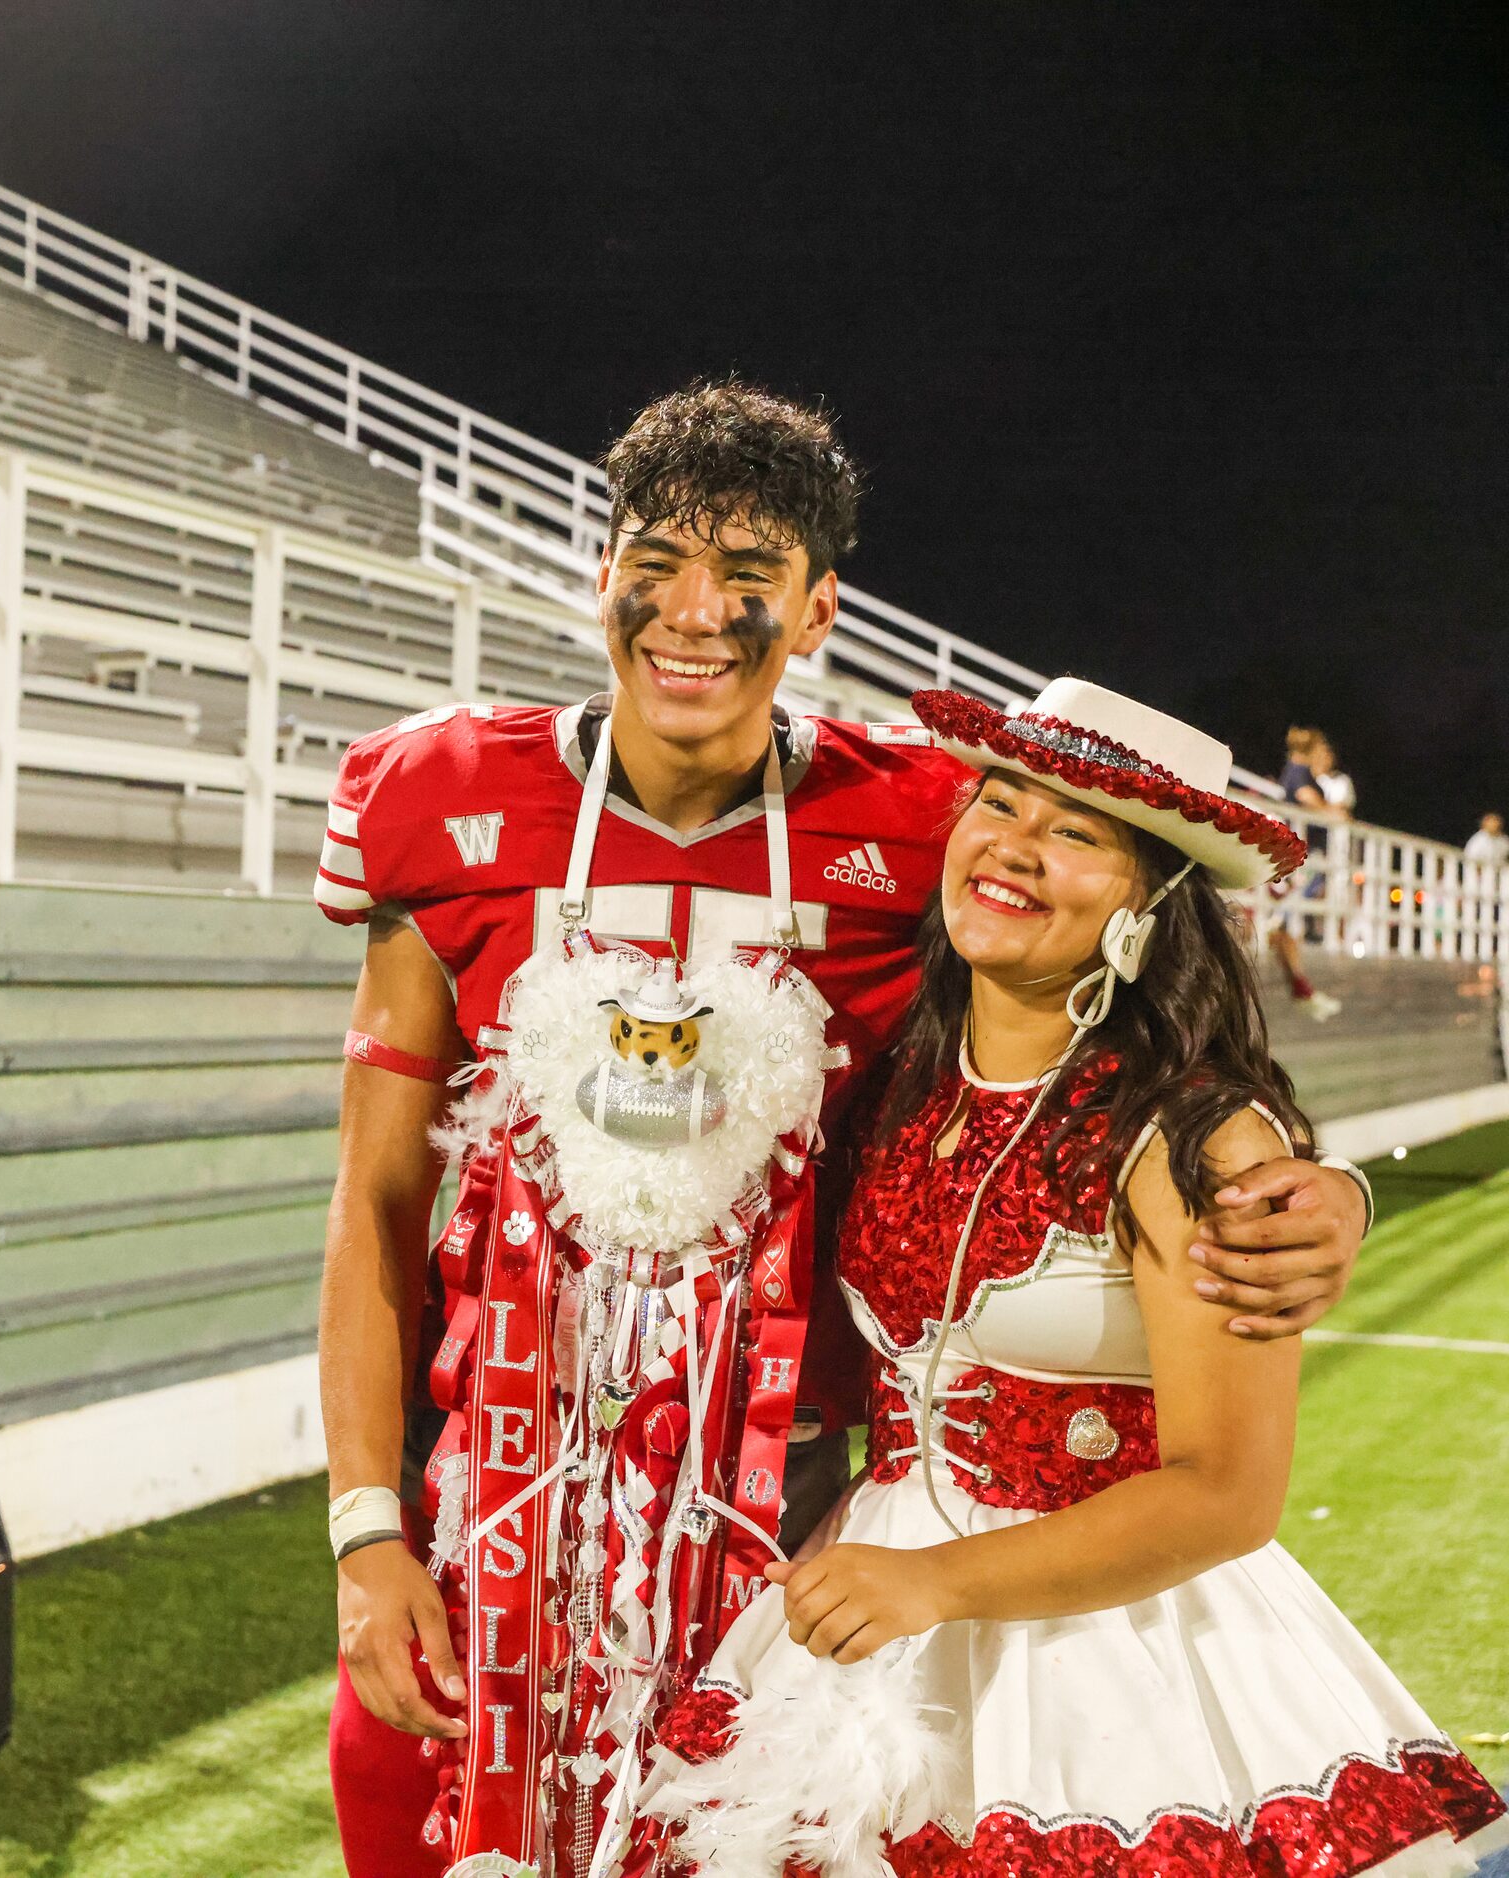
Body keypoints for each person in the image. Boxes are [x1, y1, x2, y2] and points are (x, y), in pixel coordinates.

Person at [315, 382, 1378, 1878]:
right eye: (656, 563)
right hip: (497, 1492)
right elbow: (372, 1199)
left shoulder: (932, 821)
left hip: (793, 1523)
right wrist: (367, 1530)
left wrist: (1306, 1184)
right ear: (597, 572)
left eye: (747, 578)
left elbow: (1134, 982)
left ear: (817, 611)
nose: (694, 613)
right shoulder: (435, 793)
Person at [646, 680, 1506, 1877]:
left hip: (1120, 1666)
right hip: (864, 1639)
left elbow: (1226, 1495)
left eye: (1075, 833)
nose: (1011, 846)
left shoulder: (1198, 1134)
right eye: (997, 804)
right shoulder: (900, 1084)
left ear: (1147, 899)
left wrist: (934, 1582)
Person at [1265, 727, 1346, 1021]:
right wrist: (1332, 811)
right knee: (1287, 918)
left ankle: (1302, 987)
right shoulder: (1299, 769)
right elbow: (1304, 796)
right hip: (1305, 855)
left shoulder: (1295, 769)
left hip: (1303, 854)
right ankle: (1302, 989)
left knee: (1288, 922)